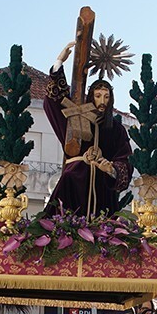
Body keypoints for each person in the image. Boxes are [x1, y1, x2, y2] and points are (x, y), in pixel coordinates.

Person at [42, 41, 132, 217]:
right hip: (74, 182)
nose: (102, 101)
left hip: (103, 189)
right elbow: (54, 102)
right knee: (68, 185)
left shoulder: (116, 129)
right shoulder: (77, 118)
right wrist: (59, 64)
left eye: (106, 97)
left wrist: (111, 168)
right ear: (92, 96)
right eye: (98, 96)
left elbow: (126, 159)